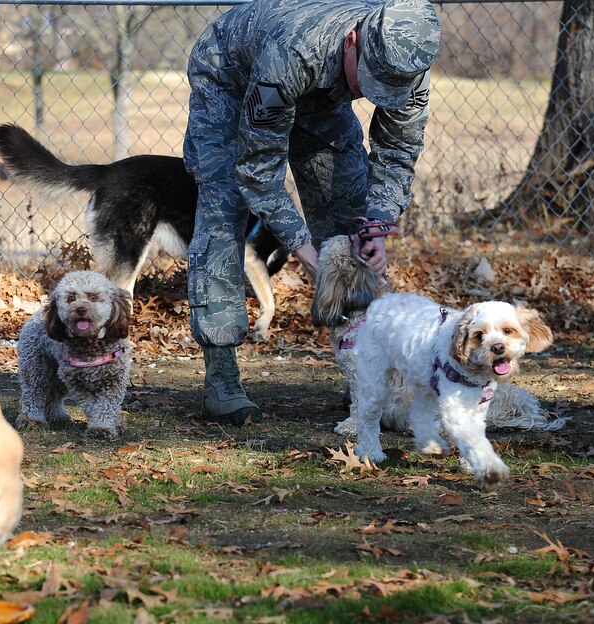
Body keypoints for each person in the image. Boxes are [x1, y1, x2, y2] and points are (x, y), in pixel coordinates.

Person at [184, 0, 440, 423]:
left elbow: (398, 152)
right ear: (353, 41)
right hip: (232, 74)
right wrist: (302, 247)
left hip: (320, 93)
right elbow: (257, 172)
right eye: (371, 82)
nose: (372, 94)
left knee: (347, 207)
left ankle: (364, 369)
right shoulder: (291, 54)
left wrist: (376, 224)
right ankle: (221, 375)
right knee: (224, 203)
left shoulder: (408, 59)